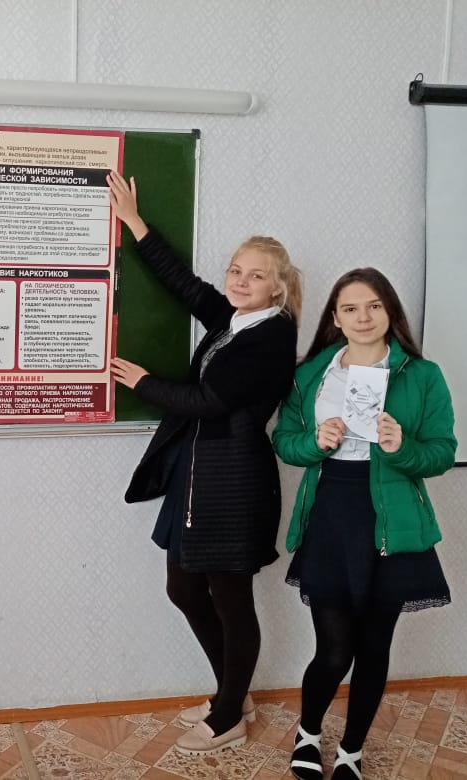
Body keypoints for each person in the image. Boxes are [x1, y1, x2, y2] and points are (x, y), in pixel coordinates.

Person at [106, 172, 302, 756]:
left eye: (256, 275)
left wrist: (144, 382)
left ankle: (229, 716)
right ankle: (231, 696)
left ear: (279, 288)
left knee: (231, 598)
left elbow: (211, 401)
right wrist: (135, 222)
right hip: (197, 473)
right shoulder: (236, 320)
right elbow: (187, 288)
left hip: (233, 481)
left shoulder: (271, 336)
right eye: (236, 270)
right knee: (184, 587)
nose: (240, 281)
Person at [273, 268, 455, 780]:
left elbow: (443, 452)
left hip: (392, 518)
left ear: (390, 311)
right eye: (350, 308)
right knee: (333, 651)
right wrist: (315, 442)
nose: (363, 317)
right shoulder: (311, 375)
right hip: (331, 512)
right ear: (335, 318)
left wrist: (403, 447)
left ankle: (352, 749)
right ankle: (309, 733)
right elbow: (284, 441)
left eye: (374, 305)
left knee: (374, 648)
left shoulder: (422, 375)